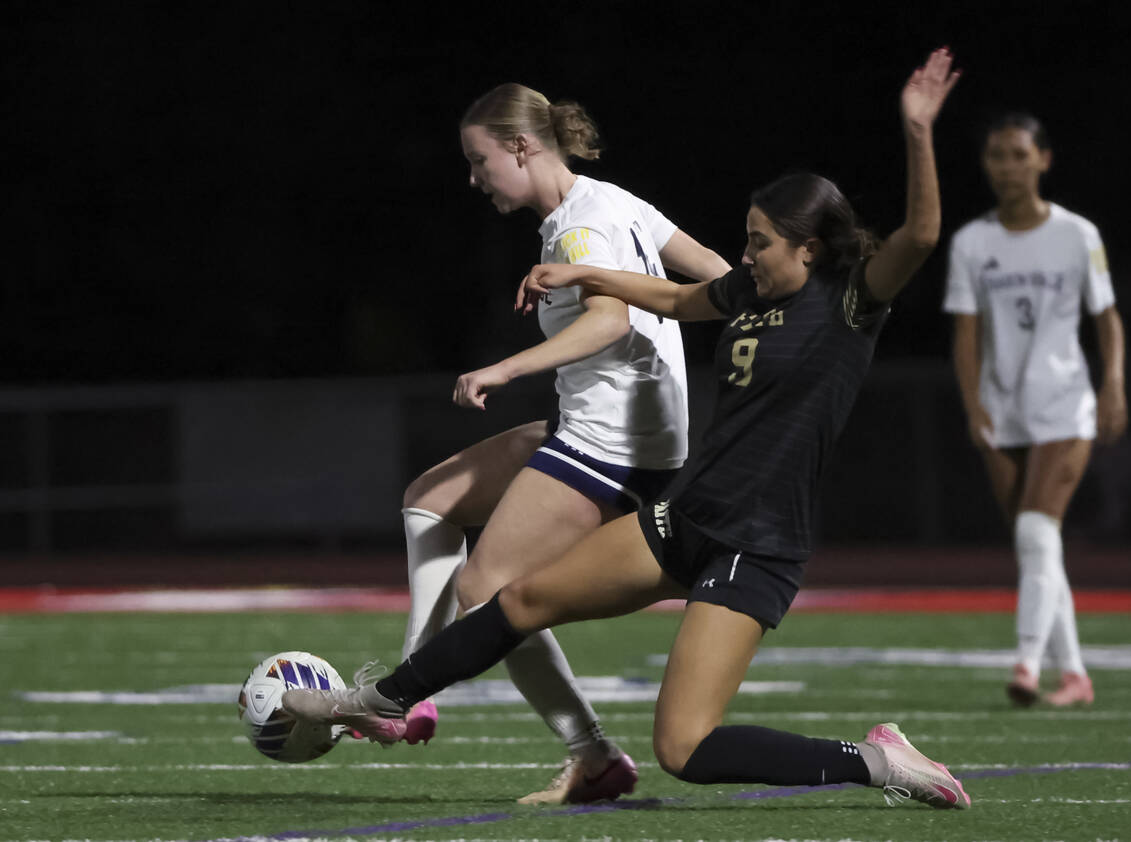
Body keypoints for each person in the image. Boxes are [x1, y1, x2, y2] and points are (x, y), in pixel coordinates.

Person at [285, 48, 970, 809]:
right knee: (516, 601)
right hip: (686, 515)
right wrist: (588, 275)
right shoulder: (750, 290)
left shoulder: (849, 305)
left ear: (809, 249)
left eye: (760, 242)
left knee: (685, 747)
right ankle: (378, 702)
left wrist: (917, 132)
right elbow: (679, 299)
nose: (744, 254)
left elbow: (922, 233)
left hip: (757, 540)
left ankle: (876, 763)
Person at [395, 82, 731, 804]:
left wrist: (503, 367)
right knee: (431, 498)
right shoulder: (613, 200)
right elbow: (713, 267)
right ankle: (419, 684)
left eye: (480, 159)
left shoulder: (576, 228)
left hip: (611, 447)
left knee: (486, 593)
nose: (474, 176)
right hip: (623, 435)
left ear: (521, 147)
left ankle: (586, 753)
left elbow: (609, 320)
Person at [944, 112, 1128, 708]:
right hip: (1002, 409)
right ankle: (1074, 675)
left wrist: (1114, 385)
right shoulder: (972, 243)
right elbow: (966, 335)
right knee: (1036, 546)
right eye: (997, 156)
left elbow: (1107, 318)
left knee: (1034, 529)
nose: (1008, 167)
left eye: (1020, 155)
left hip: (1065, 404)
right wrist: (974, 407)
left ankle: (1025, 663)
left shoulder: (1078, 234)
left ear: (1043, 160)